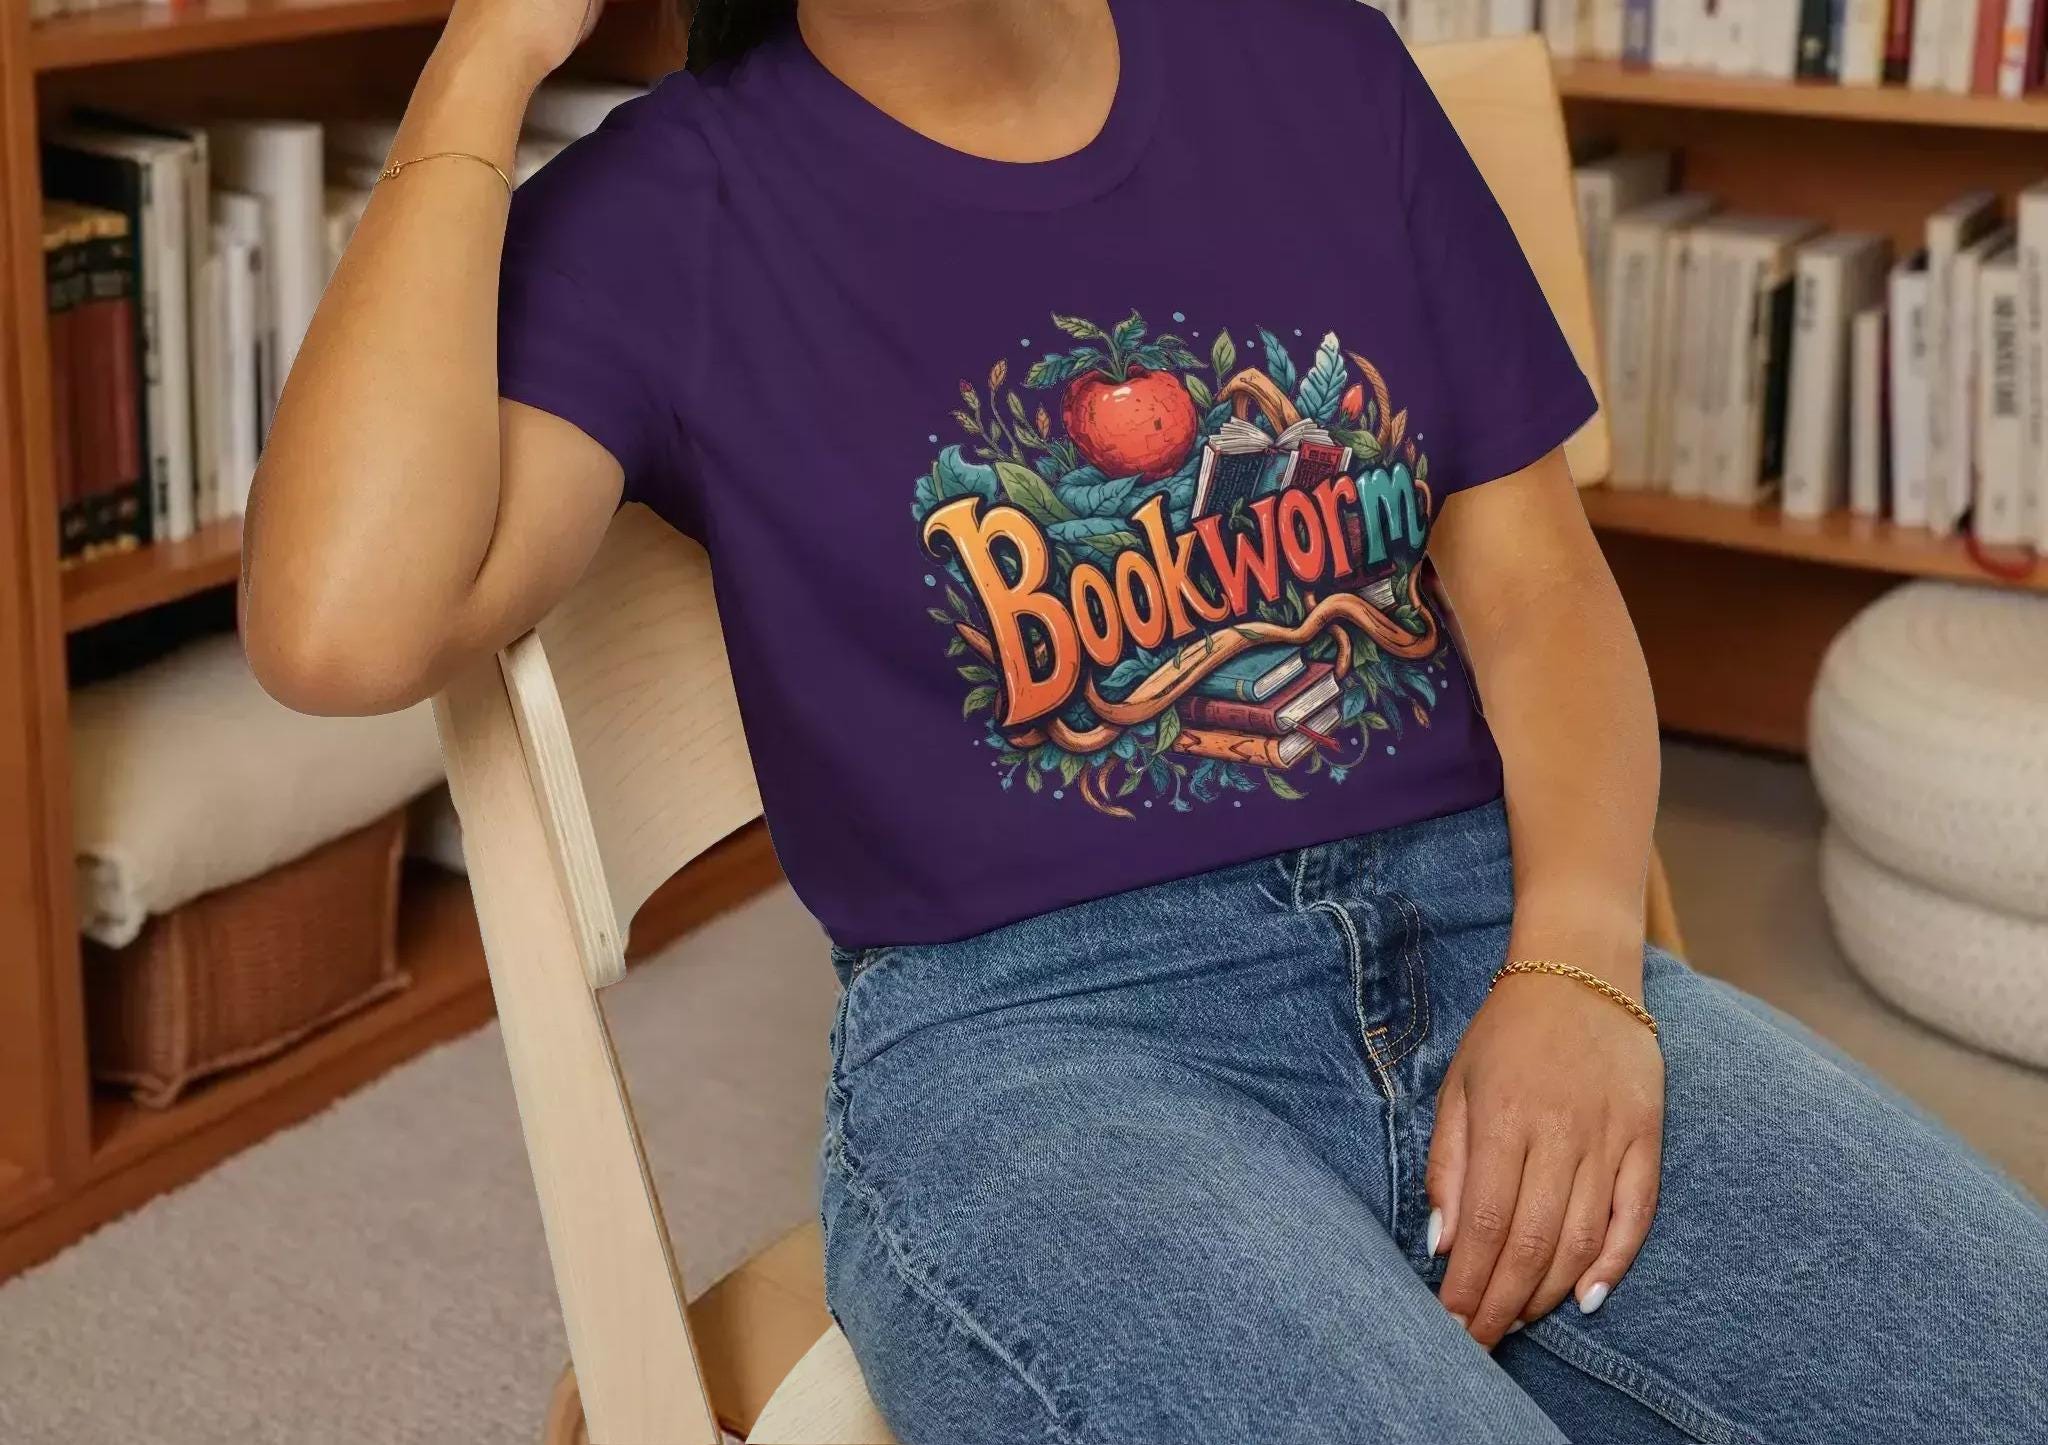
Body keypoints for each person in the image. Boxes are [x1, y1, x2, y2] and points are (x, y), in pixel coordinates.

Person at [242, 0, 2047, 1439]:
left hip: (1487, 934)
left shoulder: (1312, 54)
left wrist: (1577, 957)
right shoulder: (668, 214)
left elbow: (1539, 580)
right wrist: (485, 60)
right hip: (1041, 1060)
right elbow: (337, 625)